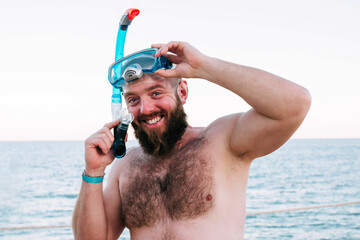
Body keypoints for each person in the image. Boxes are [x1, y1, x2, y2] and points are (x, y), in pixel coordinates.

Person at [72, 41, 311, 240]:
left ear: (182, 93)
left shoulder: (222, 141)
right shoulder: (125, 165)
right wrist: (93, 171)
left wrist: (204, 67)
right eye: (133, 100)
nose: (145, 108)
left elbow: (295, 104)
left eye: (156, 93)